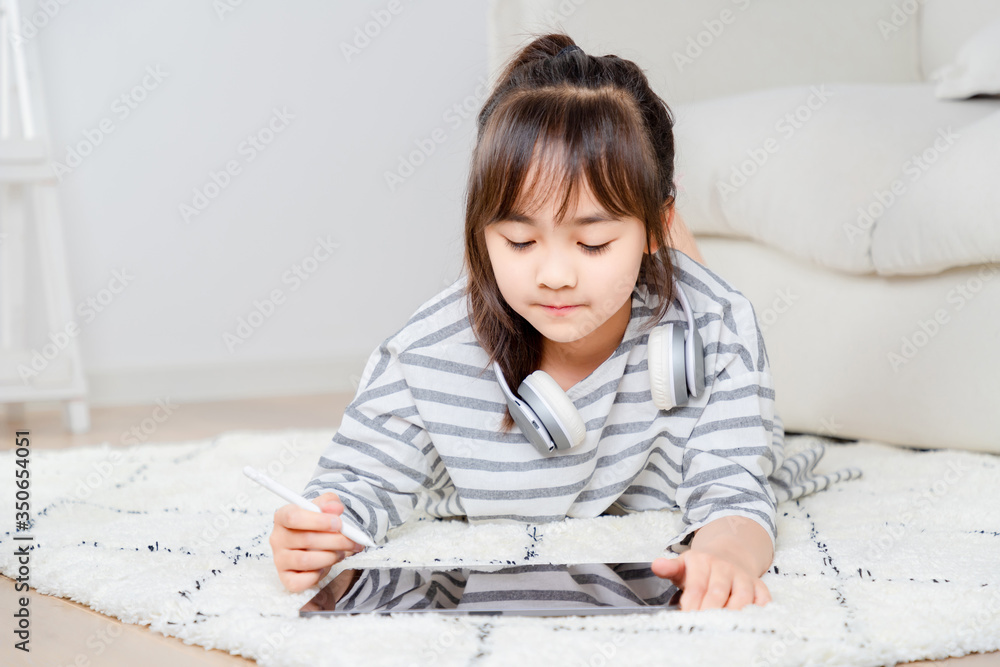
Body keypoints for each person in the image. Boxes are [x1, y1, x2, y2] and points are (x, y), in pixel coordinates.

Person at [269, 33, 862, 612]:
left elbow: (735, 491)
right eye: (520, 240)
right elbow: (354, 487)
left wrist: (727, 553)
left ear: (656, 225)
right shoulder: (427, 352)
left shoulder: (717, 328)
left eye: (594, 242)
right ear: (482, 230)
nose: (555, 275)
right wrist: (319, 533)